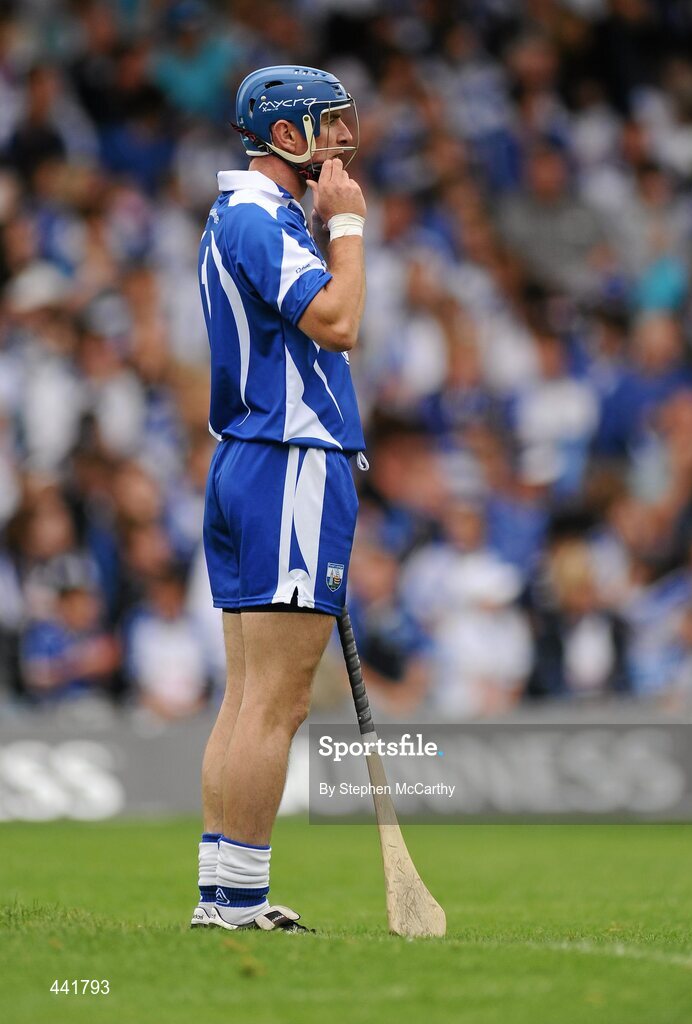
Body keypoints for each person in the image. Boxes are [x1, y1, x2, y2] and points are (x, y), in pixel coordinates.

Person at [191, 66, 367, 932]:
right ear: (284, 135)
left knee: (247, 695)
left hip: (256, 462)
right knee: (276, 701)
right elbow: (338, 321)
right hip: (288, 459)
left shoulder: (248, 215)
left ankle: (221, 897)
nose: (340, 141)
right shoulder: (261, 217)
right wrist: (349, 228)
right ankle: (242, 904)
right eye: (325, 125)